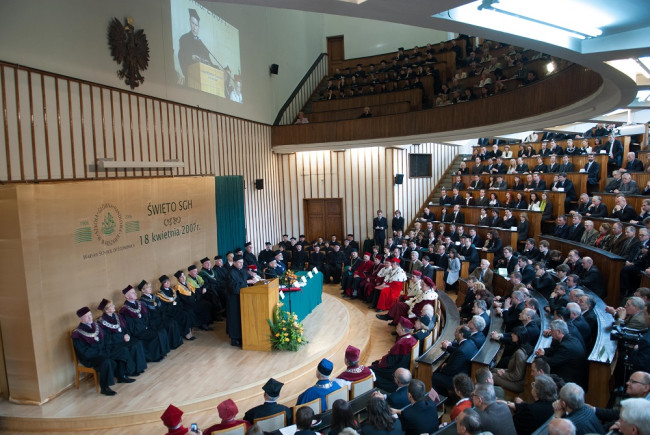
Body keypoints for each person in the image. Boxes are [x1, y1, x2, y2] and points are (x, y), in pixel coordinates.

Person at [71, 306, 134, 396]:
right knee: (106, 361)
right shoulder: (77, 334)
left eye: (90, 315)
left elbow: (105, 340)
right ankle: (104, 387)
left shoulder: (96, 326)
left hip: (103, 351)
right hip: (91, 357)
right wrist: (101, 353)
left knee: (122, 350)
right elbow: (84, 351)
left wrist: (107, 349)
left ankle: (121, 375)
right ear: (81, 318)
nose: (89, 317)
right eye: (86, 316)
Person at [97, 298, 147, 378]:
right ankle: (130, 371)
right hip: (113, 344)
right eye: (111, 306)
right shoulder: (101, 322)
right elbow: (107, 337)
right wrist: (121, 338)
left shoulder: (117, 316)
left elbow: (125, 327)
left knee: (137, 343)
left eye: (113, 305)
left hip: (122, 339)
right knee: (128, 348)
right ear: (106, 310)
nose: (114, 306)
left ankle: (138, 368)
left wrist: (127, 334)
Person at [120, 285, 168, 362]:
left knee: (159, 332)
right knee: (154, 335)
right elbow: (129, 325)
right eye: (132, 293)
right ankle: (153, 357)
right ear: (127, 296)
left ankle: (160, 353)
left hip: (146, 327)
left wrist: (147, 325)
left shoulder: (140, 304)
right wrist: (142, 328)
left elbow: (147, 316)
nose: (135, 294)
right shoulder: (124, 310)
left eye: (135, 292)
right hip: (137, 331)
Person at [370, 318, 417, 392]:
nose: (396, 327)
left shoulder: (401, 344)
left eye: (398, 326)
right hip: (404, 365)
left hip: (395, 368)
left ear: (403, 330)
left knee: (372, 368)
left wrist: (380, 362)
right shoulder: (412, 339)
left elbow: (390, 361)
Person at [535, 320, 587, 387]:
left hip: (570, 378)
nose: (550, 332)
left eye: (552, 330)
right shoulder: (570, 338)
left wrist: (541, 355)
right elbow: (555, 349)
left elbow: (552, 362)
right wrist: (544, 351)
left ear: (559, 332)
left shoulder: (566, 346)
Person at [430, 325, 477, 397]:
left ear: (461, 335)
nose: (454, 333)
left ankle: (444, 398)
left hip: (458, 378)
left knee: (434, 377)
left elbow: (451, 370)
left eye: (456, 331)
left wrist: (443, 368)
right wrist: (449, 346)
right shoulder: (470, 342)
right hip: (464, 372)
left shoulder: (461, 351)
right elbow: (458, 349)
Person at [177, 8, 216, 83]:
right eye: (192, 23)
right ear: (190, 23)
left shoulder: (201, 43)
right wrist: (191, 57)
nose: (194, 27)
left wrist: (208, 63)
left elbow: (208, 59)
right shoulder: (184, 38)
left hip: (205, 79)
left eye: (196, 25)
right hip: (192, 78)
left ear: (198, 27)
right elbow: (181, 55)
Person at [491, 325, 534, 393]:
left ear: (519, 337)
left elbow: (517, 376)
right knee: (493, 369)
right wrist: (504, 371)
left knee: (489, 376)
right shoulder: (526, 345)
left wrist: (503, 374)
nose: (511, 335)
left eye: (514, 334)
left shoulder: (520, 353)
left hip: (517, 383)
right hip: (512, 373)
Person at [227, 255, 257, 347]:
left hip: (243, 298)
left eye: (242, 263)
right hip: (233, 299)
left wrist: (253, 278)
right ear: (234, 262)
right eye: (239, 263)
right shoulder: (230, 273)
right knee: (235, 318)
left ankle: (242, 336)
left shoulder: (243, 270)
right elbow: (234, 287)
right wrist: (247, 282)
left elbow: (247, 277)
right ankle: (234, 338)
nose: (241, 264)